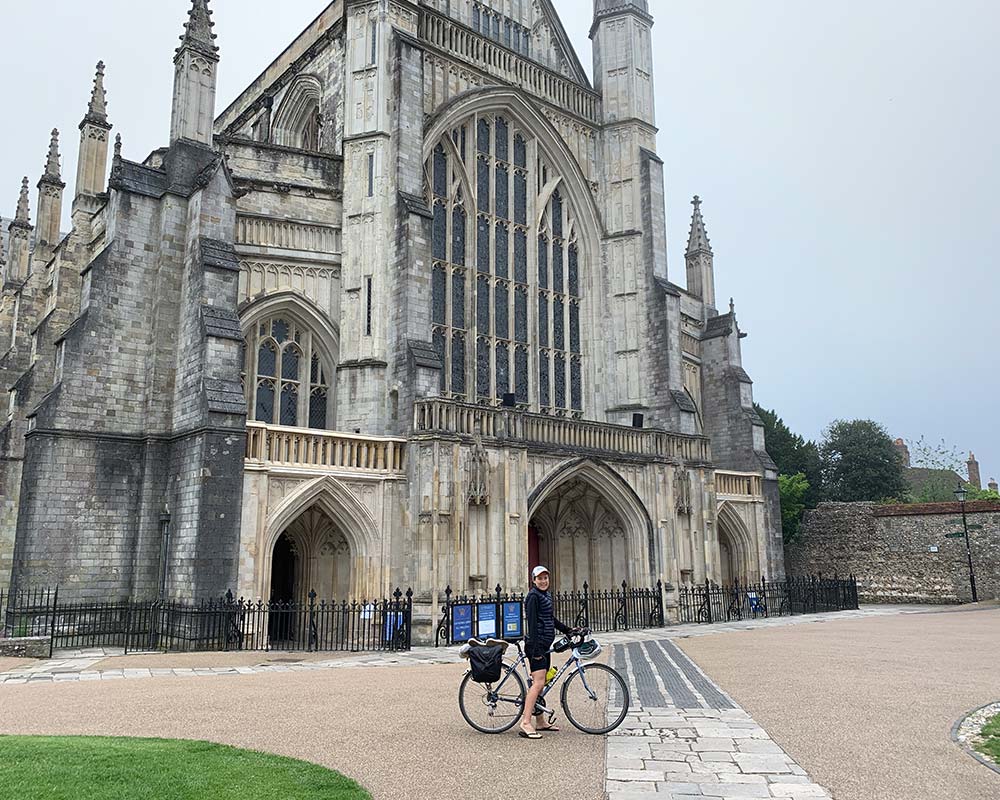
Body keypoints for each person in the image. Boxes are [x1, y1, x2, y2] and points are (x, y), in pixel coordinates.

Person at [519, 565, 572, 739]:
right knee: (538, 683)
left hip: (545, 644)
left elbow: (550, 618)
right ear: (533, 580)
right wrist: (535, 650)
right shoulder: (533, 596)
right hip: (537, 646)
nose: (543, 581)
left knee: (542, 683)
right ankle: (526, 722)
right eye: (539, 578)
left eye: (545, 578)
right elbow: (532, 624)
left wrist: (568, 630)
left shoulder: (545, 595)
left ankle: (540, 721)